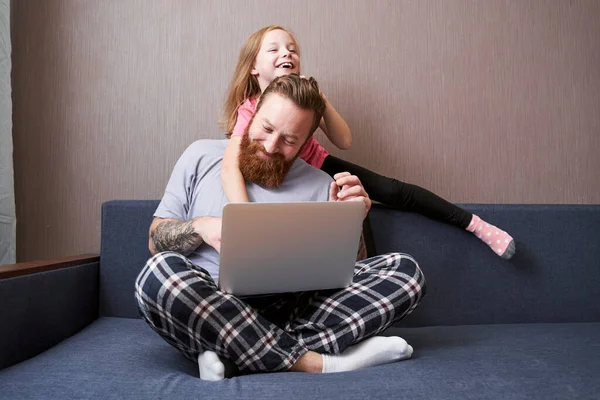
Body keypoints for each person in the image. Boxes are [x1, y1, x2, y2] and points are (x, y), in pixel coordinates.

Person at [135, 75, 426, 381]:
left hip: (294, 309)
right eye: (267, 128)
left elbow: (350, 274)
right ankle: (318, 362)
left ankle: (233, 355)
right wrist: (202, 227)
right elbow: (156, 241)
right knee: (157, 275)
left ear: (305, 143)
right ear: (254, 110)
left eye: (289, 140)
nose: (271, 146)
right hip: (210, 301)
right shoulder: (201, 155)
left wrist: (354, 219)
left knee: (406, 272)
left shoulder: (323, 185)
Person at [220, 25, 515, 259]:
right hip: (291, 184)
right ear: (253, 67)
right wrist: (249, 220)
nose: (286, 53)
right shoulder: (249, 110)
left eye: (292, 49)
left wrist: (320, 101)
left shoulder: (309, 104)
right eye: (273, 49)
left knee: (385, 193)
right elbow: (231, 167)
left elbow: (344, 140)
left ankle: (475, 224)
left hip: (318, 166)